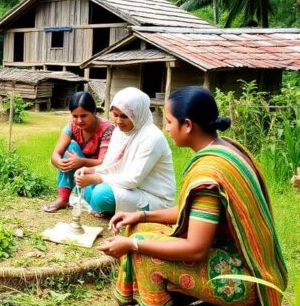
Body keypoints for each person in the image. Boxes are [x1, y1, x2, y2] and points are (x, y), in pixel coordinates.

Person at [99, 86, 288, 306]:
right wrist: (141, 216)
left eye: (169, 121)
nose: (166, 128)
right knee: (139, 229)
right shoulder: (226, 149)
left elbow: (196, 249)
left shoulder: (208, 173)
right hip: (245, 257)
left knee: (143, 252)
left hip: (245, 277)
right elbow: (192, 213)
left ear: (187, 125)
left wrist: (132, 245)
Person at [74, 87, 175, 216]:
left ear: (137, 114)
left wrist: (96, 178)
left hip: (152, 197)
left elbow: (133, 180)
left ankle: (106, 208)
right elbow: (113, 165)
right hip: (128, 189)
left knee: (100, 194)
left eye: (124, 116)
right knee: (83, 187)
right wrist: (92, 171)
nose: (118, 121)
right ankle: (107, 209)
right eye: (115, 115)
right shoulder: (119, 131)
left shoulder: (152, 138)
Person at [42, 91, 115, 213]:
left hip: (99, 174)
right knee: (70, 149)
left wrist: (81, 161)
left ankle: (91, 200)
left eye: (84, 116)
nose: (79, 120)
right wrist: (60, 162)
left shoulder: (107, 129)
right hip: (80, 170)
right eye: (75, 116)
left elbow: (104, 163)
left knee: (99, 199)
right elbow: (55, 154)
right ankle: (63, 198)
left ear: (94, 112)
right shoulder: (72, 126)